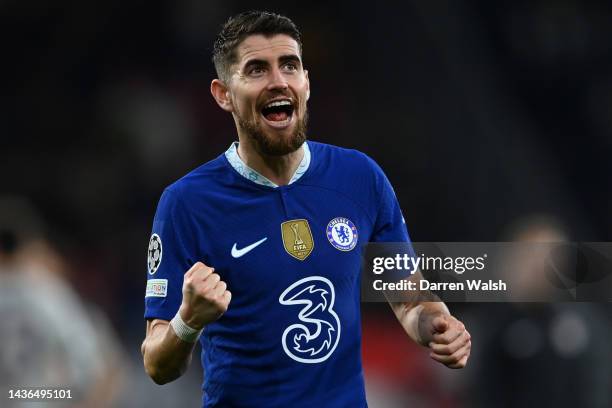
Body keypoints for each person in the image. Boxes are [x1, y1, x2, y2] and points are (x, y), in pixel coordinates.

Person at [141, 11, 471, 407]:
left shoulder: (361, 178)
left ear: (306, 83)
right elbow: (157, 365)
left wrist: (438, 325)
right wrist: (188, 322)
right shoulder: (187, 203)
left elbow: (411, 300)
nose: (278, 81)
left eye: (289, 66)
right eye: (257, 69)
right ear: (223, 94)